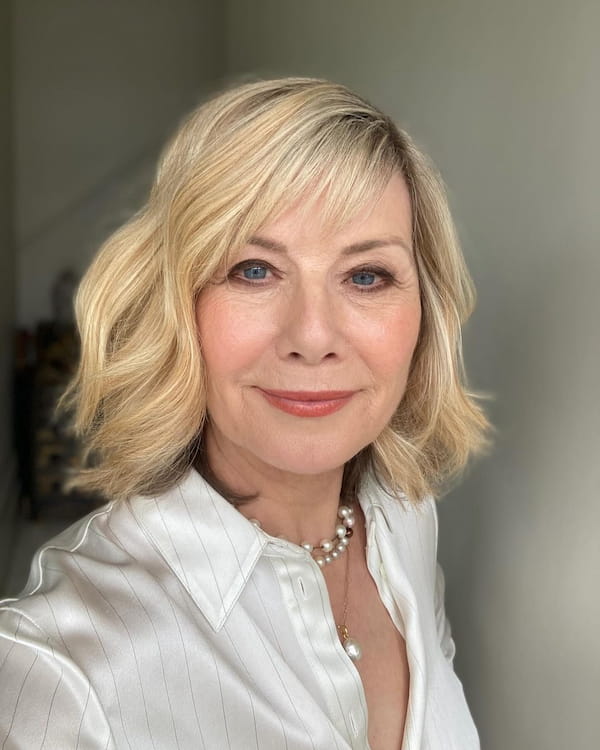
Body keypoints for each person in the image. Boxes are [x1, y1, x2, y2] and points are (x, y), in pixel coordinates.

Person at [0, 78, 489, 749]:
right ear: (176, 306)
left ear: (424, 314)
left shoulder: (405, 525)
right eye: (253, 270)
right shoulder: (58, 668)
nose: (312, 336)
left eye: (366, 276)